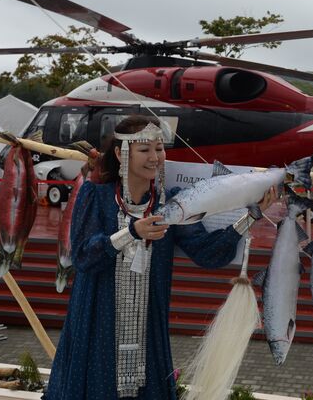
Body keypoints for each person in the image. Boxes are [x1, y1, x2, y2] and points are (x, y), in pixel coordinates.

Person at [44, 115, 276, 400]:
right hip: (97, 322)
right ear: (120, 153)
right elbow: (82, 256)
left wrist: (250, 216)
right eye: (145, 150)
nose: (155, 157)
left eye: (160, 148)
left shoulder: (172, 204)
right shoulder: (96, 196)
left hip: (147, 326)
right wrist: (132, 232)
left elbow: (207, 253)